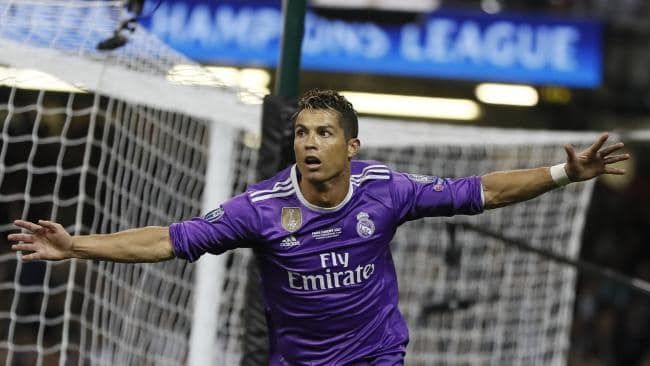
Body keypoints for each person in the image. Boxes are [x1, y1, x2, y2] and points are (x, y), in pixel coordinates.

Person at [7, 89, 629, 365]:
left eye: (324, 132)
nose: (309, 142)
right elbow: (170, 239)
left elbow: (482, 191)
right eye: (302, 132)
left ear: (351, 145)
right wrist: (76, 246)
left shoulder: (388, 190)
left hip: (377, 354)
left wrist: (562, 173)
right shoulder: (260, 208)